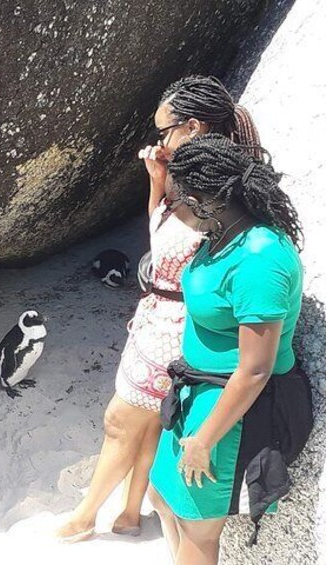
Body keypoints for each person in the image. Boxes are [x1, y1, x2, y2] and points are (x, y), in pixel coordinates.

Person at [57, 76, 262, 542]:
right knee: (150, 420)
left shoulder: (222, 194)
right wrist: (158, 183)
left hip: (172, 328)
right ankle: (129, 512)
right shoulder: (198, 184)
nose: (161, 142)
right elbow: (164, 235)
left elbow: (180, 253)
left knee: (119, 420)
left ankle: (85, 517)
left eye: (165, 131)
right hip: (158, 319)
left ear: (192, 126)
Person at [148, 134, 304, 565]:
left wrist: (204, 440)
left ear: (204, 199)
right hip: (195, 395)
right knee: (162, 498)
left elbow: (255, 369)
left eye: (173, 200)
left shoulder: (260, 258)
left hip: (228, 411)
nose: (169, 208)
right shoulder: (221, 234)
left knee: (198, 529)